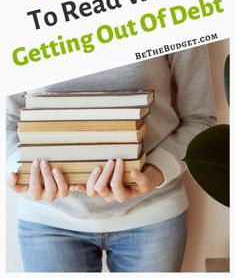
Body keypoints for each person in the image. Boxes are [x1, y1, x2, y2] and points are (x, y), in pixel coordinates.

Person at [7, 46, 216, 272]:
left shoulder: (173, 12)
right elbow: (8, 122)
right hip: (48, 220)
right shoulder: (17, 16)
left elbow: (199, 118)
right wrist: (23, 172)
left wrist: (156, 171)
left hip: (152, 214)